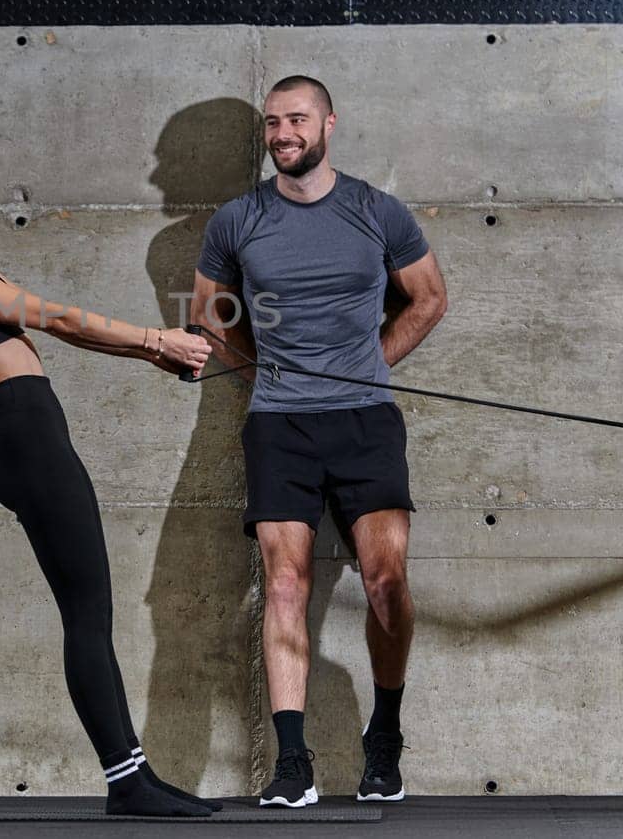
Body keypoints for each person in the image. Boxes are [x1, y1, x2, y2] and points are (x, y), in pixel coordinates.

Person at [0, 135, 218, 817]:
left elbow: (67, 329)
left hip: (31, 433)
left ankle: (136, 775)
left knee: (92, 611)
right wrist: (159, 340)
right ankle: (127, 781)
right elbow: (58, 319)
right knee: (87, 614)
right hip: (25, 437)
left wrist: (153, 355)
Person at [190, 76, 448, 806]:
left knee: (386, 581)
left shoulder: (377, 210)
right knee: (282, 583)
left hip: (365, 419)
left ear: (329, 122)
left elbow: (429, 296)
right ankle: (293, 760)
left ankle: (385, 737)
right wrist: (260, 366)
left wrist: (370, 363)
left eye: (296, 119)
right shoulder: (237, 219)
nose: (282, 133)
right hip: (280, 422)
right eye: (273, 123)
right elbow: (207, 312)